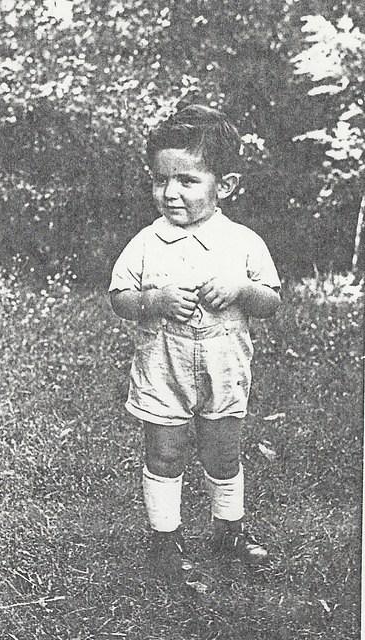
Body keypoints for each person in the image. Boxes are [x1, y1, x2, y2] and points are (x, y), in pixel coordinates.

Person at [109, 104, 281, 580]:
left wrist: (242, 290)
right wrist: (154, 300)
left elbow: (270, 300)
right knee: (164, 452)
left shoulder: (242, 241)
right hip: (163, 367)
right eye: (160, 180)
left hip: (224, 368)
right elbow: (119, 297)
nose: (170, 192)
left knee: (222, 451)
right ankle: (165, 539)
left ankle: (229, 530)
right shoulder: (146, 242)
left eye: (187, 180)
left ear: (224, 185)